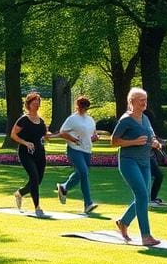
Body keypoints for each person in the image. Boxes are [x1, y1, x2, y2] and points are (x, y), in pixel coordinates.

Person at [110, 87, 160, 246]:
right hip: (128, 162)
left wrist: (155, 143)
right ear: (132, 102)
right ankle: (146, 236)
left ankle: (123, 222)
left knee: (143, 197)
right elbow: (113, 141)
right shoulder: (125, 120)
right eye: (141, 101)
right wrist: (133, 142)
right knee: (143, 196)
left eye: (145, 100)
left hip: (145, 162)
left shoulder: (145, 118)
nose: (144, 103)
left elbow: (151, 136)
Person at [52, 95, 99, 214]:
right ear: (77, 106)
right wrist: (73, 140)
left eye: (86, 106)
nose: (83, 108)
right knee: (83, 172)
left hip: (87, 150)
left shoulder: (90, 120)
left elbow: (92, 135)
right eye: (81, 105)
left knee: (80, 173)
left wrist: (94, 138)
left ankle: (64, 187)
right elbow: (62, 132)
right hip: (74, 150)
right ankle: (88, 203)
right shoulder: (72, 119)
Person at [11, 92, 51, 216]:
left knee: (37, 181)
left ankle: (20, 193)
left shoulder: (41, 121)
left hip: (40, 153)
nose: (37, 105)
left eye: (38, 103)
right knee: (34, 177)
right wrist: (25, 142)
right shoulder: (23, 119)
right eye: (34, 103)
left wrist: (57, 134)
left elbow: (45, 135)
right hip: (26, 153)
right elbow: (13, 135)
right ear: (28, 105)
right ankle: (37, 207)